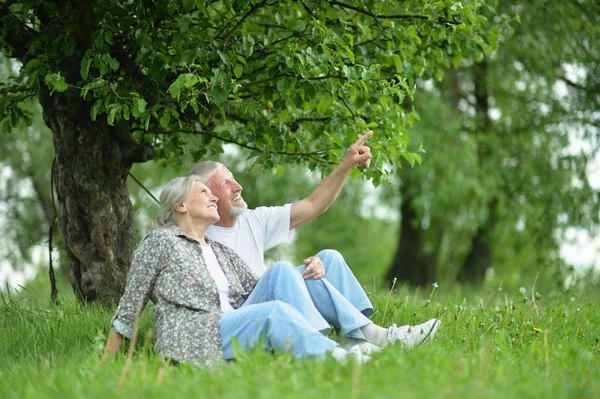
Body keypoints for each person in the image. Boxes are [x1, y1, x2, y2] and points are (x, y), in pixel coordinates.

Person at [186, 131, 441, 352]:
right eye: (226, 183)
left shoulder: (254, 220)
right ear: (206, 194)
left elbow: (313, 205)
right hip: (246, 316)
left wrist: (347, 164)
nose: (238, 186)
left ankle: (357, 339)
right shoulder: (195, 234)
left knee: (328, 259)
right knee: (281, 270)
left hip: (269, 299)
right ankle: (368, 338)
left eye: (234, 179)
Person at [102, 176, 372, 367]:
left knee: (281, 270)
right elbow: (130, 305)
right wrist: (105, 365)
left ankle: (349, 337)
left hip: (235, 321)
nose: (213, 197)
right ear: (181, 205)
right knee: (274, 312)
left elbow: (272, 286)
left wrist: (313, 268)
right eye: (203, 192)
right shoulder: (161, 242)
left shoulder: (219, 250)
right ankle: (339, 356)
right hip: (199, 334)